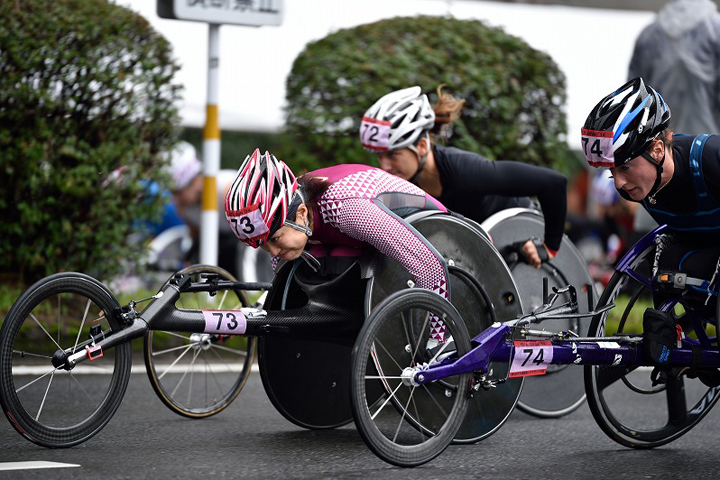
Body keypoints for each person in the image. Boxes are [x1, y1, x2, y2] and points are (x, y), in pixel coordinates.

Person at [225, 149, 452, 350]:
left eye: (274, 239)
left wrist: (438, 341)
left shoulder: (347, 210)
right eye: (261, 245)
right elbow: (280, 288)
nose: (272, 252)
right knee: (317, 258)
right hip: (357, 239)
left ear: (301, 214)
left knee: (332, 257)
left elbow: (430, 264)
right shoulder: (295, 219)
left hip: (440, 233)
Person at [581, 78, 720, 361]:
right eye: (611, 171)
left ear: (657, 149)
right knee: (665, 252)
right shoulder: (642, 185)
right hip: (706, 256)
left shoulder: (709, 158)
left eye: (625, 167)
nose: (618, 183)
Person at [359, 85, 568, 267]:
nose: (384, 166)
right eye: (379, 156)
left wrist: (549, 247)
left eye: (393, 154)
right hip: (483, 247)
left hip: (522, 231)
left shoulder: (464, 171)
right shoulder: (403, 183)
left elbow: (553, 183)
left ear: (422, 146)